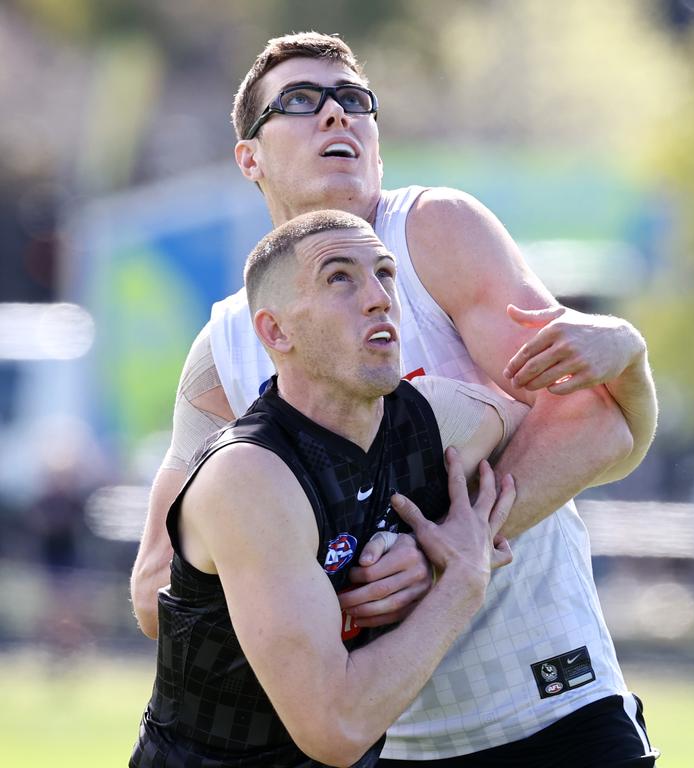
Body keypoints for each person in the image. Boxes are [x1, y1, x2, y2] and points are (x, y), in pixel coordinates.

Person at [131, 32, 659, 767]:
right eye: (300, 102)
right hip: (383, 739)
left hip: (545, 706)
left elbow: (594, 418)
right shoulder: (226, 345)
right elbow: (158, 586)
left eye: (354, 100)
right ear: (249, 157)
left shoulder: (433, 231)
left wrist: (433, 553)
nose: (335, 115)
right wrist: (291, 564)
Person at [130, 210, 527, 767]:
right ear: (275, 331)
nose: (379, 297)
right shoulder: (249, 475)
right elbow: (336, 730)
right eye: (340, 277)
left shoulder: (434, 418)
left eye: (385, 273)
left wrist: (627, 359)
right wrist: (460, 580)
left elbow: (579, 418)